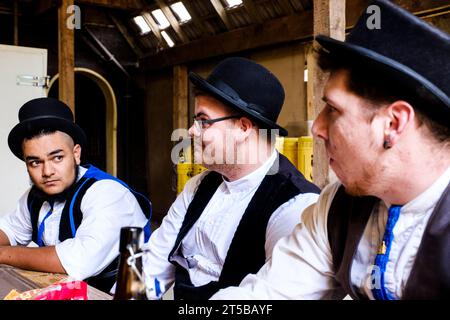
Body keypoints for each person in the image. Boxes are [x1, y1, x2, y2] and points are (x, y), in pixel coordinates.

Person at [211, 0, 450, 300]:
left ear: (393, 123)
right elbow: (264, 297)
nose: (317, 128)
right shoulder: (337, 206)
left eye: (333, 110)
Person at [142, 57, 320, 300]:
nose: (192, 131)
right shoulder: (198, 186)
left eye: (203, 121)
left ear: (243, 128)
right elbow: (152, 269)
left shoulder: (295, 204)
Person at [0, 97, 152, 293]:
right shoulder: (35, 196)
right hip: (71, 292)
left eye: (57, 158)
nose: (47, 172)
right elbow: (9, 230)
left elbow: (78, 261)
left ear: (76, 154)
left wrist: (3, 253)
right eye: (35, 162)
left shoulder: (107, 193)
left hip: (119, 295)